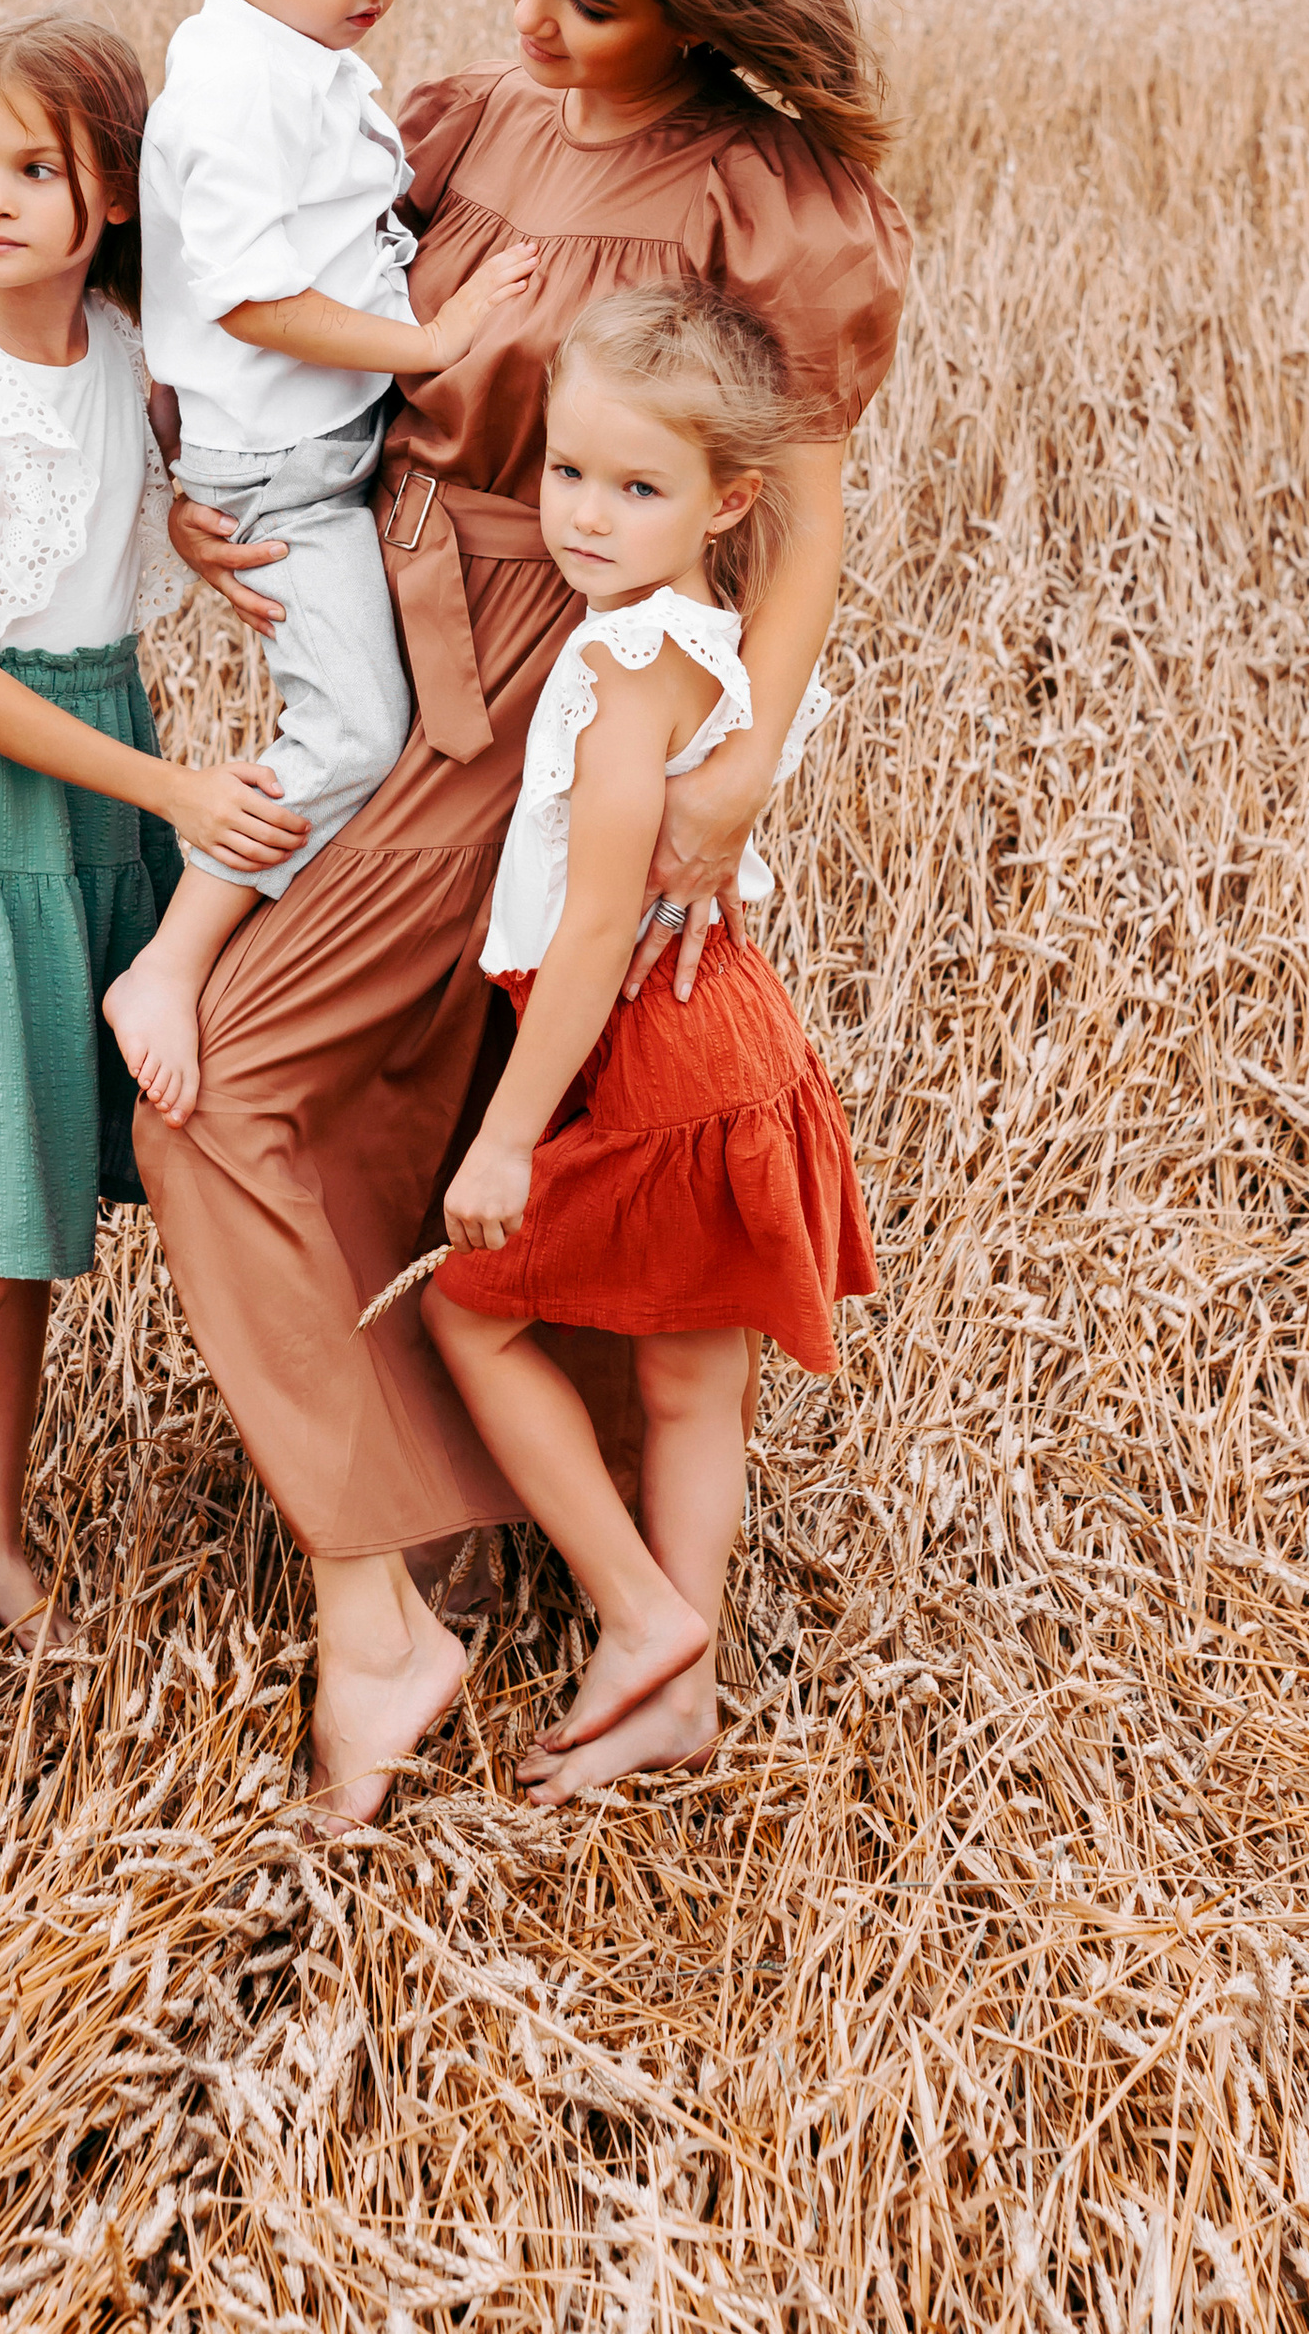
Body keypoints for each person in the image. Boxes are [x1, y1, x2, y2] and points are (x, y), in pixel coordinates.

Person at [134, 0, 910, 1825]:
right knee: (398, 1084)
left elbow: (804, 514)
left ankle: (395, 1585)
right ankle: (481, 1541)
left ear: (701, 1)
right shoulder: (470, 123)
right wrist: (197, 491)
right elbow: (259, 302)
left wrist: (741, 763)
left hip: (553, 689)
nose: (523, 12)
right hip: (388, 634)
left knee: (225, 1083)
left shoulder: (765, 197)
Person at [0, 14, 306, 1678]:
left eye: (37, 167)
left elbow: (111, 508)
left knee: (23, 1192)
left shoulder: (116, 352)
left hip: (85, 765)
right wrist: (175, 796)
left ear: (115, 193)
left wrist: (189, 530)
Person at [424, 286, 875, 1797]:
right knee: (689, 1389)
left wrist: (505, 1137)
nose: (587, 515)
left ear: (726, 501)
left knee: (469, 1316)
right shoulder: (686, 635)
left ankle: (639, 1610)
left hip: (660, 1059)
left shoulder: (623, 672)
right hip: (727, 1032)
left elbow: (600, 922)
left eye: (638, 488)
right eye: (569, 472)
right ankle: (683, 1686)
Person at [105, 0, 537, 1118]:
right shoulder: (234, 90)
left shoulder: (295, 55)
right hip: (284, 475)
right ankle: (174, 963)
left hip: (325, 451)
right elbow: (250, 298)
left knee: (387, 730)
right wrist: (434, 341)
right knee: (353, 732)